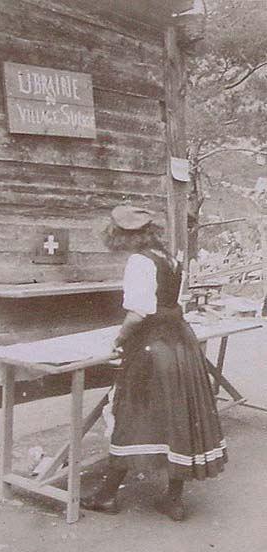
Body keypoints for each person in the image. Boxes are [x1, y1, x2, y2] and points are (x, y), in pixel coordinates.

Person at [81, 204, 227, 521]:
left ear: (123, 236)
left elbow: (138, 313)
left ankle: (107, 496)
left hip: (152, 347)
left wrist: (118, 339)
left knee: (132, 413)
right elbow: (170, 301)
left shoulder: (139, 262)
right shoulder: (169, 258)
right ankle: (174, 500)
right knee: (180, 416)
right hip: (180, 345)